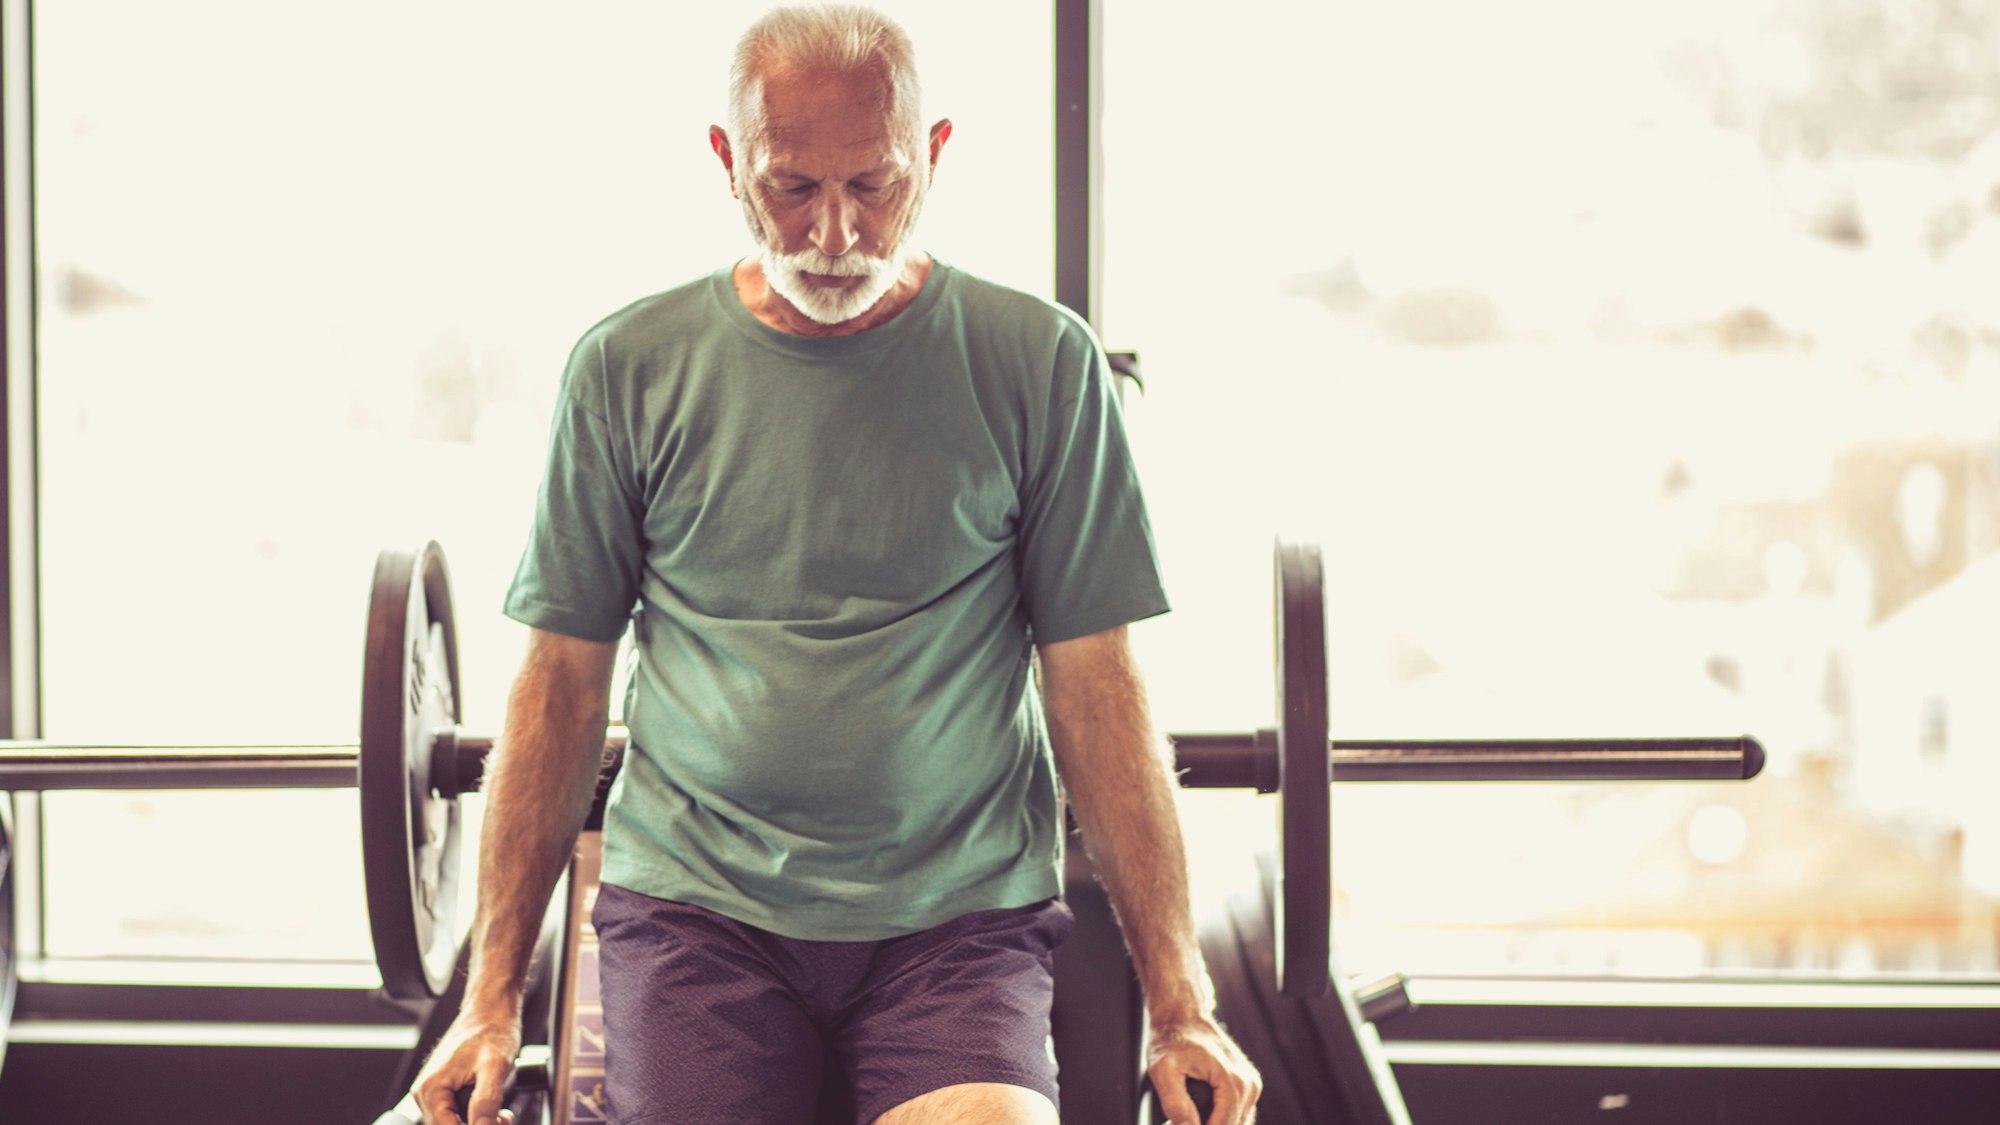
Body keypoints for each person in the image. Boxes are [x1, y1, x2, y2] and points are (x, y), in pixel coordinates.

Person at [412, 6, 1260, 1124]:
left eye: (873, 186)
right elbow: (561, 681)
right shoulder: (626, 369)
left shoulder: (1038, 365)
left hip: (954, 925)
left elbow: (1096, 684)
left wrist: (1180, 1005)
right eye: (790, 188)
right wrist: (488, 1002)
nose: (832, 236)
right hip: (696, 916)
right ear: (726, 163)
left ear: (934, 155)